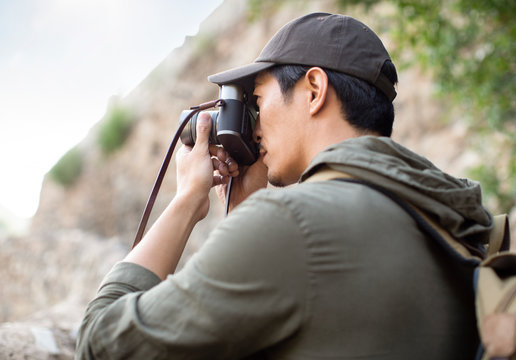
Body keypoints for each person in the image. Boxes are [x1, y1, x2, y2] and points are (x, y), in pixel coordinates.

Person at [76, 12, 493, 359]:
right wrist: (245, 205)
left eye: (257, 102)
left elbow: (100, 345)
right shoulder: (448, 217)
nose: (255, 128)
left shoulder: (291, 226)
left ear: (314, 91)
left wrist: (188, 200)